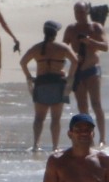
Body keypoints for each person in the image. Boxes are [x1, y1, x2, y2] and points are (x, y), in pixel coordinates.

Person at [19, 21, 75, 152]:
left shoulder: (37, 48)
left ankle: (35, 144)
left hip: (41, 83)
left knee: (39, 118)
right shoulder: (62, 48)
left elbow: (23, 62)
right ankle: (55, 146)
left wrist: (29, 77)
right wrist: (69, 77)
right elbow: (75, 61)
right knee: (56, 118)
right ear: (56, 34)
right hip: (58, 83)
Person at [64, 1, 109, 144]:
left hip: (92, 69)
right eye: (77, 12)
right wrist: (73, 55)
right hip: (77, 71)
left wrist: (90, 42)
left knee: (96, 104)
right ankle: (87, 138)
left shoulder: (95, 27)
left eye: (82, 12)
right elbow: (63, 48)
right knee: (82, 106)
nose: (79, 15)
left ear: (87, 12)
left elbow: (105, 46)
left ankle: (102, 138)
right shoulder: (71, 29)